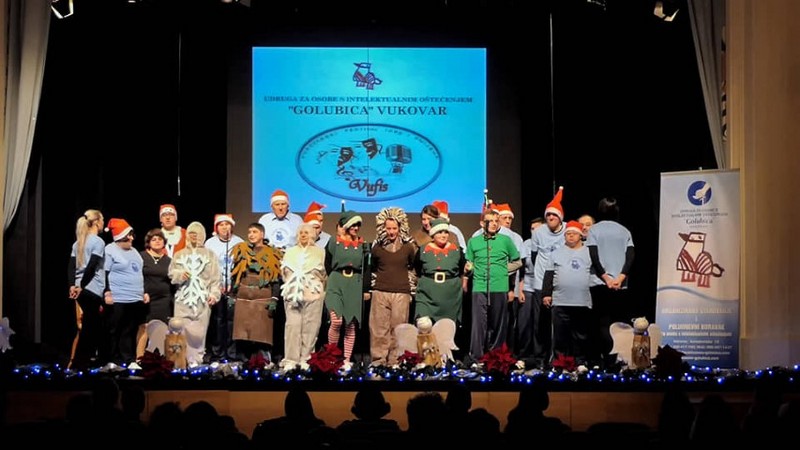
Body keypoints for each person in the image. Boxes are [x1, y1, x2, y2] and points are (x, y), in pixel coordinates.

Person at [465, 208, 520, 359]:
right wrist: (469, 269)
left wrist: (503, 269)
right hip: (479, 287)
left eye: (496, 221)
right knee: (479, 324)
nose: (494, 224)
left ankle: (496, 357)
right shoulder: (473, 241)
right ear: (482, 223)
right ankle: (477, 356)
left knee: (498, 323)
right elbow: (470, 264)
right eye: (490, 221)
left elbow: (517, 262)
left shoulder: (505, 240)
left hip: (499, 286)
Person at [586, 197, 635, 368]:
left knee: (601, 323)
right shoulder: (625, 231)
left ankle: (604, 360)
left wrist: (605, 277)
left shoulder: (594, 230)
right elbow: (630, 256)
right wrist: (620, 277)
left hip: (599, 283)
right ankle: (618, 360)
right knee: (619, 323)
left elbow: (593, 255)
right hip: (620, 285)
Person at [369, 207, 416, 367]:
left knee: (398, 329)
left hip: (401, 292)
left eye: (394, 228)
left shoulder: (408, 247)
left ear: (400, 227)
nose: (391, 232)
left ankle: (395, 361)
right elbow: (374, 266)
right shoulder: (377, 247)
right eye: (388, 228)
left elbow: (412, 266)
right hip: (380, 291)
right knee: (379, 329)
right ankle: (378, 360)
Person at [169, 221, 221, 366]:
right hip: (183, 299)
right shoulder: (179, 254)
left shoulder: (210, 255)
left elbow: (216, 278)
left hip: (202, 299)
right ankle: (180, 360)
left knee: (199, 333)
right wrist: (180, 275)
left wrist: (214, 294)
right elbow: (171, 273)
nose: (194, 236)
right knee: (180, 330)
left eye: (197, 233)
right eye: (191, 233)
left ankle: (196, 360)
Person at [542, 220, 593, 368]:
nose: (570, 236)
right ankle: (560, 363)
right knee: (560, 335)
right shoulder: (556, 253)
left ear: (580, 235)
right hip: (560, 300)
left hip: (582, 301)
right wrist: (546, 294)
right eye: (568, 233)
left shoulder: (589, 252)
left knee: (581, 335)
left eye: (574, 234)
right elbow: (548, 275)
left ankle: (580, 362)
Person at [230, 222, 283, 362]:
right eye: (249, 232)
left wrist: (274, 298)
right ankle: (243, 362)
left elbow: (275, 278)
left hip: (262, 299)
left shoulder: (271, 253)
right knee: (242, 334)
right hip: (244, 298)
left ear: (262, 234)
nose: (251, 235)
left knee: (261, 334)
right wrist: (232, 294)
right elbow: (236, 275)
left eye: (254, 232)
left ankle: (262, 361)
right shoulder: (242, 251)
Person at [527, 186, 567, 368]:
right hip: (540, 282)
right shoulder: (538, 233)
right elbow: (534, 256)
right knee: (540, 323)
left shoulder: (567, 231)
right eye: (548, 215)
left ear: (560, 217)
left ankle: (559, 358)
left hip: (560, 283)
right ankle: (540, 358)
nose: (550, 217)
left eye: (554, 215)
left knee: (559, 323)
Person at [324, 210, 367, 372]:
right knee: (336, 321)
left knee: (350, 324)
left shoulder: (362, 244)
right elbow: (327, 263)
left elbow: (365, 267)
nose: (356, 228)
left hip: (354, 283)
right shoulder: (334, 241)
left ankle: (346, 359)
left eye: (358, 225)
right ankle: (331, 356)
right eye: (353, 225)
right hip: (336, 281)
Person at [280, 223, 327, 368]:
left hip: (313, 294)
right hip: (293, 295)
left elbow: (324, 275)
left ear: (313, 234)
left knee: (311, 328)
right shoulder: (290, 252)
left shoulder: (320, 252)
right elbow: (284, 273)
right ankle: (291, 360)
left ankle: (306, 359)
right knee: (292, 327)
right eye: (301, 232)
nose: (303, 235)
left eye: (306, 232)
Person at [103, 218, 148, 365]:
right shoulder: (110, 250)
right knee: (114, 330)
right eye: (128, 235)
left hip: (134, 298)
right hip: (118, 298)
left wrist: (143, 292)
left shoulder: (134, 252)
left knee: (129, 330)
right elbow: (104, 272)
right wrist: (107, 292)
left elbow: (139, 273)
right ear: (120, 236)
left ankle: (128, 359)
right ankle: (111, 360)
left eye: (132, 235)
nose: (132, 238)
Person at [67, 209, 106, 369]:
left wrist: (73, 285)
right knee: (91, 327)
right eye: (102, 220)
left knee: (89, 326)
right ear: (96, 222)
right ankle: (80, 363)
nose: (103, 223)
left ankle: (81, 362)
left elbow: (71, 267)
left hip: (80, 289)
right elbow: (92, 265)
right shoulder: (98, 242)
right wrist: (82, 286)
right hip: (91, 288)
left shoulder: (77, 243)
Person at [204, 213, 244, 362]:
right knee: (217, 320)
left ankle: (232, 352)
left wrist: (233, 284)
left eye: (227, 224)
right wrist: (216, 285)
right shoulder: (210, 243)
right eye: (221, 225)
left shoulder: (239, 242)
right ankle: (217, 352)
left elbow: (242, 266)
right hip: (216, 288)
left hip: (233, 288)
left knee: (232, 320)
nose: (224, 227)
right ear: (217, 227)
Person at [414, 218, 466, 324]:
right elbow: (418, 269)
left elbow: (461, 270)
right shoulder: (423, 250)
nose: (443, 235)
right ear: (433, 234)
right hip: (427, 296)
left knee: (447, 327)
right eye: (439, 232)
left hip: (450, 297)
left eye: (446, 232)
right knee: (424, 324)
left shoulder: (457, 250)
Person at [138, 228, 174, 358]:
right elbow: (136, 276)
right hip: (146, 298)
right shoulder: (141, 257)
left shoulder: (169, 261)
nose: (157, 241)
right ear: (148, 242)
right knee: (145, 327)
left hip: (164, 300)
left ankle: (161, 358)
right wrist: (142, 292)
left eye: (160, 239)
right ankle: (139, 357)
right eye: (153, 239)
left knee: (162, 329)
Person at [516, 217, 544, 359]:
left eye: (538, 229)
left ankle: (539, 355)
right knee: (524, 322)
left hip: (542, 287)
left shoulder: (547, 244)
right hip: (527, 286)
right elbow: (520, 269)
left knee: (539, 323)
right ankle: (524, 355)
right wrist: (520, 289)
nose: (535, 232)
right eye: (532, 229)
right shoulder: (526, 244)